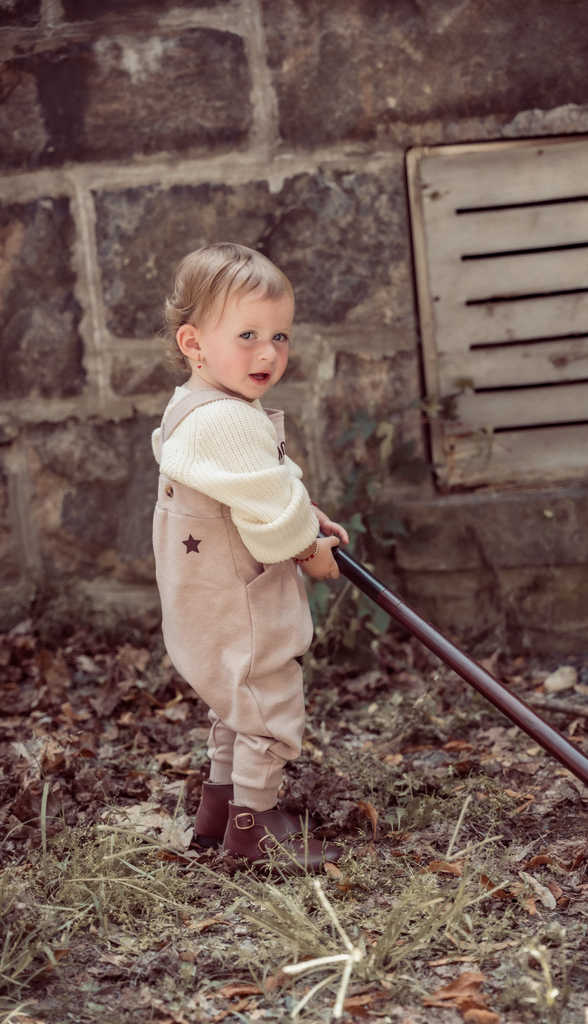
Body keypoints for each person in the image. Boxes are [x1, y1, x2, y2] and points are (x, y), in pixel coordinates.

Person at [152, 242, 348, 871]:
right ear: (193, 342)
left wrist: (304, 510)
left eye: (279, 336)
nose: (268, 353)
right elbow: (267, 505)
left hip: (205, 597)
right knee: (268, 698)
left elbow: (259, 484)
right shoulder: (228, 420)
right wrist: (308, 549)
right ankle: (255, 825)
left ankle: (219, 809)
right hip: (243, 598)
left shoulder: (195, 405)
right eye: (248, 335)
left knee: (237, 699)